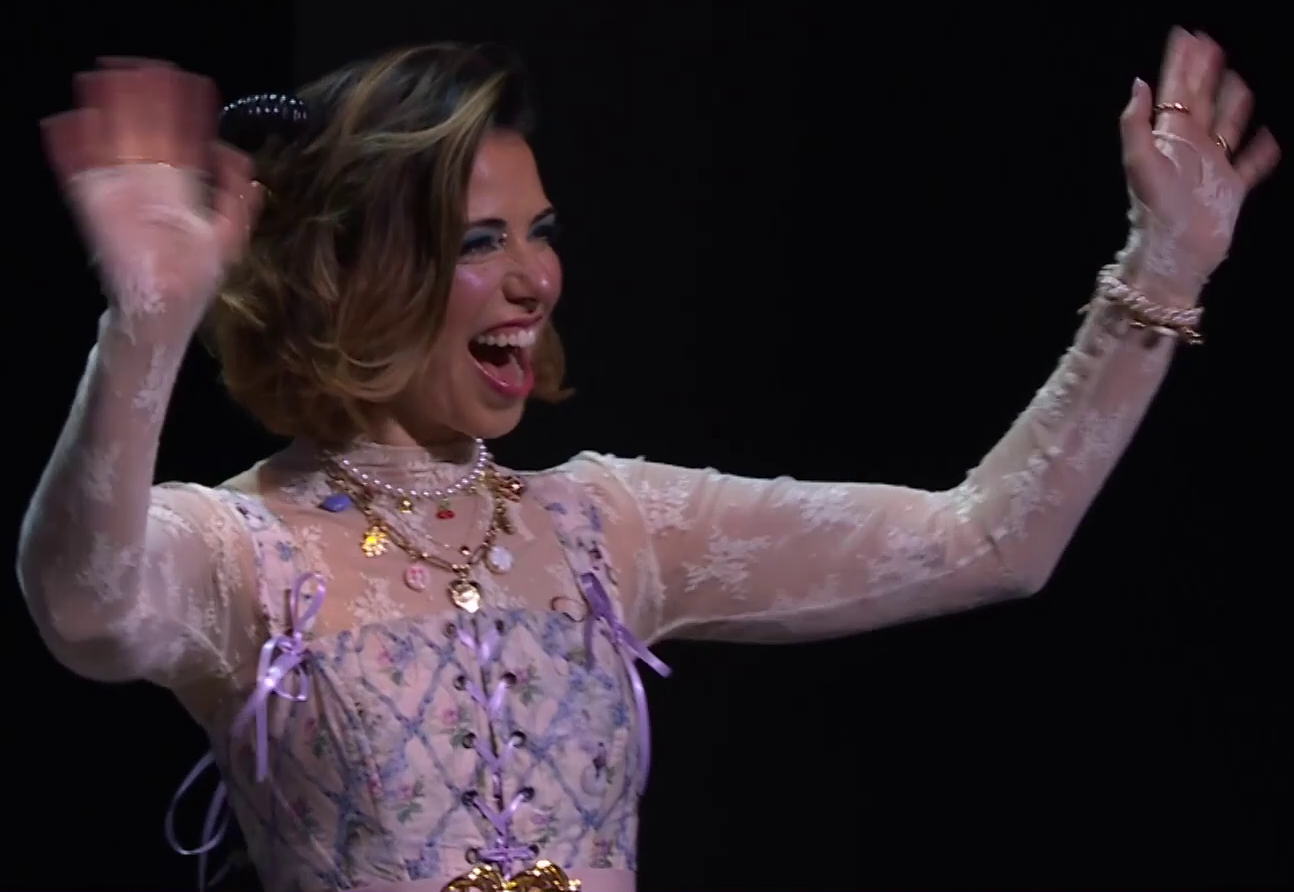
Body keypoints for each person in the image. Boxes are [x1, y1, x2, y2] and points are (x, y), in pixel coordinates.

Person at [19, 29, 1279, 892]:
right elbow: (83, 602)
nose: (534, 277)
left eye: (541, 233)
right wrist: (146, 328)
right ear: (345, 273)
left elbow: (990, 540)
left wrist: (1160, 272)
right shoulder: (248, 550)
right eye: (479, 242)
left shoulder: (608, 526)